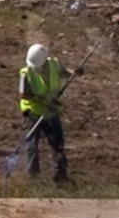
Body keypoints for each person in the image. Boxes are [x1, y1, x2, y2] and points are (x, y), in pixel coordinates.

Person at [18, 41, 77, 186]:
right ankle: (33, 175)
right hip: (33, 112)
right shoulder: (27, 73)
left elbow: (63, 73)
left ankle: (60, 175)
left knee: (57, 143)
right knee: (32, 145)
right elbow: (24, 95)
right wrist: (45, 101)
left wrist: (74, 72)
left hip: (51, 112)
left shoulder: (53, 64)